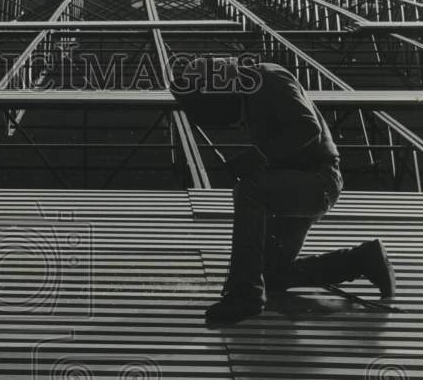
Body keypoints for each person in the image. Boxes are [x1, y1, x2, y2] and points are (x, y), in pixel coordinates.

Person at [169, 55, 396, 325]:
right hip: (297, 181)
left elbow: (307, 128)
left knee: (249, 191)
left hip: (318, 180)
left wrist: (259, 157)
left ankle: (244, 295)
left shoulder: (269, 79)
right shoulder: (251, 92)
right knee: (271, 274)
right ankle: (362, 260)